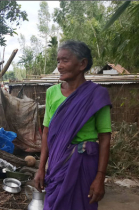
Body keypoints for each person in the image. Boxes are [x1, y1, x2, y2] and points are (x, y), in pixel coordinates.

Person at [34, 40, 112, 210]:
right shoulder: (52, 93)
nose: (59, 66)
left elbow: (105, 138)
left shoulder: (97, 95)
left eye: (65, 60)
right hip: (57, 164)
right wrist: (41, 168)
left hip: (84, 164)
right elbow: (46, 133)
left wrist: (100, 177)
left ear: (82, 64)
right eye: (58, 61)